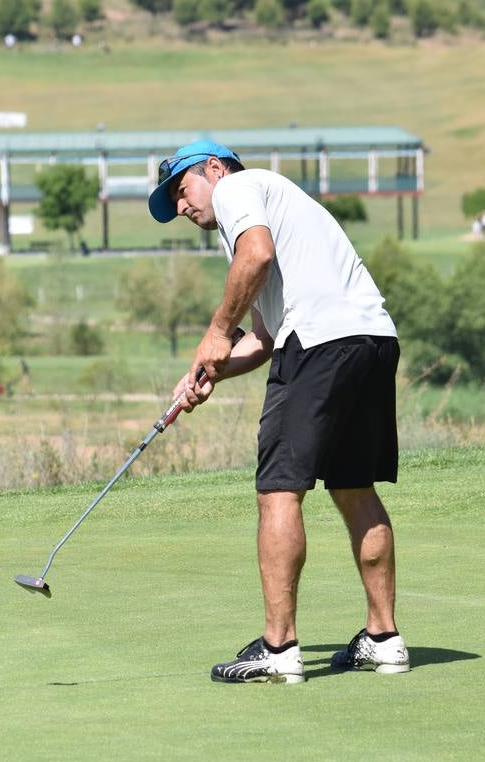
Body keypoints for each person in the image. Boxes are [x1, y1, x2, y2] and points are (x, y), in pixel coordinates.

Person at [148, 139, 409, 684]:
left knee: (279, 490)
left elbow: (257, 256)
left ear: (213, 169)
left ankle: (279, 649)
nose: (180, 206)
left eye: (181, 189)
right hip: (371, 341)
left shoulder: (240, 189)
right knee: (354, 486)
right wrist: (210, 371)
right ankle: (384, 639)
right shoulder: (275, 203)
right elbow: (265, 338)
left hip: (317, 345)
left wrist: (216, 333)